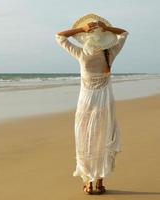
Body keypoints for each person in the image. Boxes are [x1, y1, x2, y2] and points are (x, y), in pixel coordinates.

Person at [55, 14, 129, 195]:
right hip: (104, 102)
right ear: (104, 38)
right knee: (102, 140)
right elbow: (124, 33)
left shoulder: (81, 53)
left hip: (86, 103)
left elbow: (59, 36)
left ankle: (88, 182)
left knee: (85, 140)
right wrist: (107, 28)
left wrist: (81, 29)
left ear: (86, 38)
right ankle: (99, 183)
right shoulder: (110, 53)